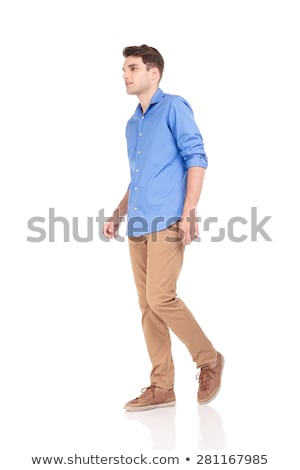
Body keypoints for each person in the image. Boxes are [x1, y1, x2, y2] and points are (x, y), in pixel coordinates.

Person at [103, 45, 224, 411]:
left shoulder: (174, 107)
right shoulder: (133, 123)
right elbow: (139, 178)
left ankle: (209, 359)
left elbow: (196, 157)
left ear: (153, 73)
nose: (125, 74)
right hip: (137, 223)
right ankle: (162, 386)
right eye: (124, 69)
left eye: (133, 68)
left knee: (161, 297)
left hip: (167, 220)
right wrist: (119, 212)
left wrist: (189, 212)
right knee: (148, 307)